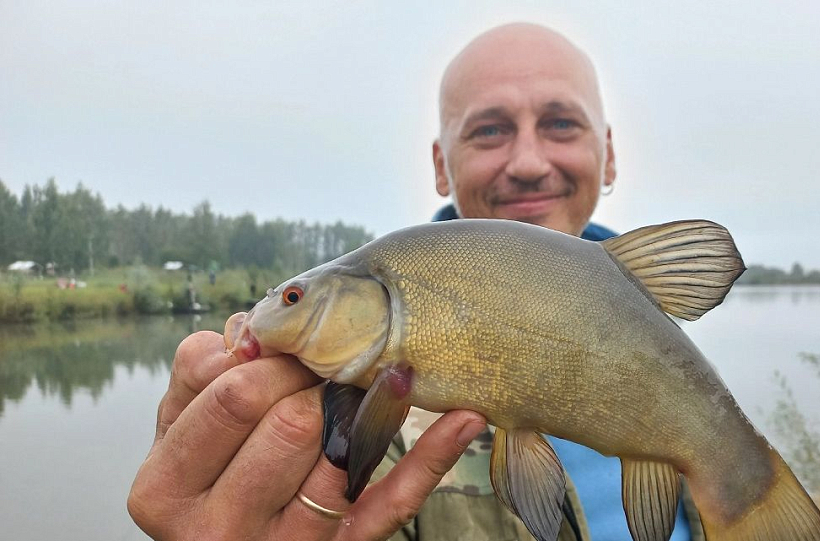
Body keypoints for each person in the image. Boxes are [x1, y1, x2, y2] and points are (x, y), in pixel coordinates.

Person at [128, 23, 693, 541]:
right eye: (489, 130)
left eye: (561, 124)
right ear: (441, 164)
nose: (527, 161)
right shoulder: (337, 420)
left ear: (610, 155)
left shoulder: (662, 336)